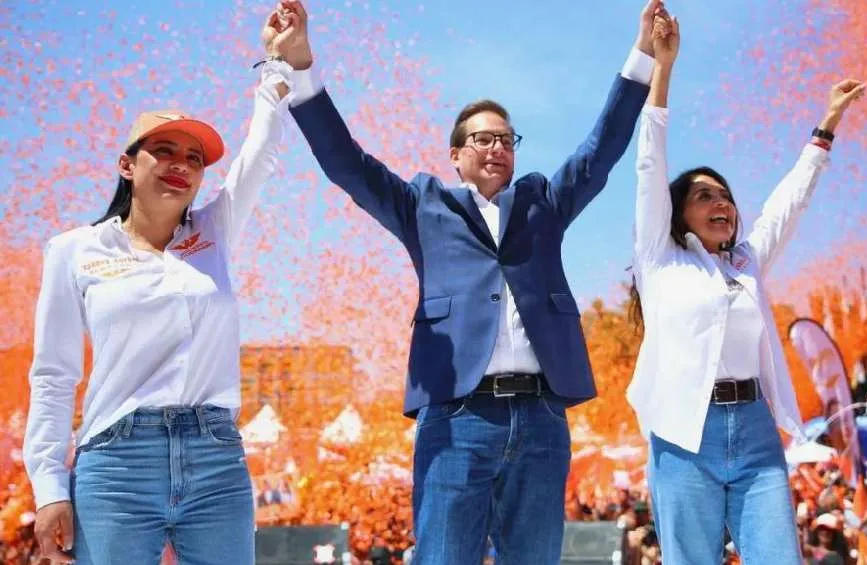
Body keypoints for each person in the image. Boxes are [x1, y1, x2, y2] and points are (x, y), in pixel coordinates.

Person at [268, 1, 659, 562]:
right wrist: (303, 67)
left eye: (506, 138)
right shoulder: (421, 206)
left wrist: (642, 53)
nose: (497, 147)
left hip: (542, 416)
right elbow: (346, 164)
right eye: (482, 139)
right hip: (457, 416)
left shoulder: (543, 201)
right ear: (455, 155)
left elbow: (602, 150)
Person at [22, 8, 303, 565]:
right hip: (116, 465)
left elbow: (262, 152)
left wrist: (275, 63)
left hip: (217, 459)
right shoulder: (75, 251)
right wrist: (50, 487)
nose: (181, 166)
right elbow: (54, 375)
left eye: (194, 158)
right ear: (128, 166)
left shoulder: (215, 231)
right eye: (165, 151)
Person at [626, 10, 866, 565]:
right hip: (685, 435)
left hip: (756, 433)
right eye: (704, 196)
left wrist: (826, 125)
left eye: (726, 196)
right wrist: (663, 68)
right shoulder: (659, 260)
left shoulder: (748, 263)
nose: (721, 204)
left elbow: (789, 203)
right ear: (678, 214)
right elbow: (648, 162)